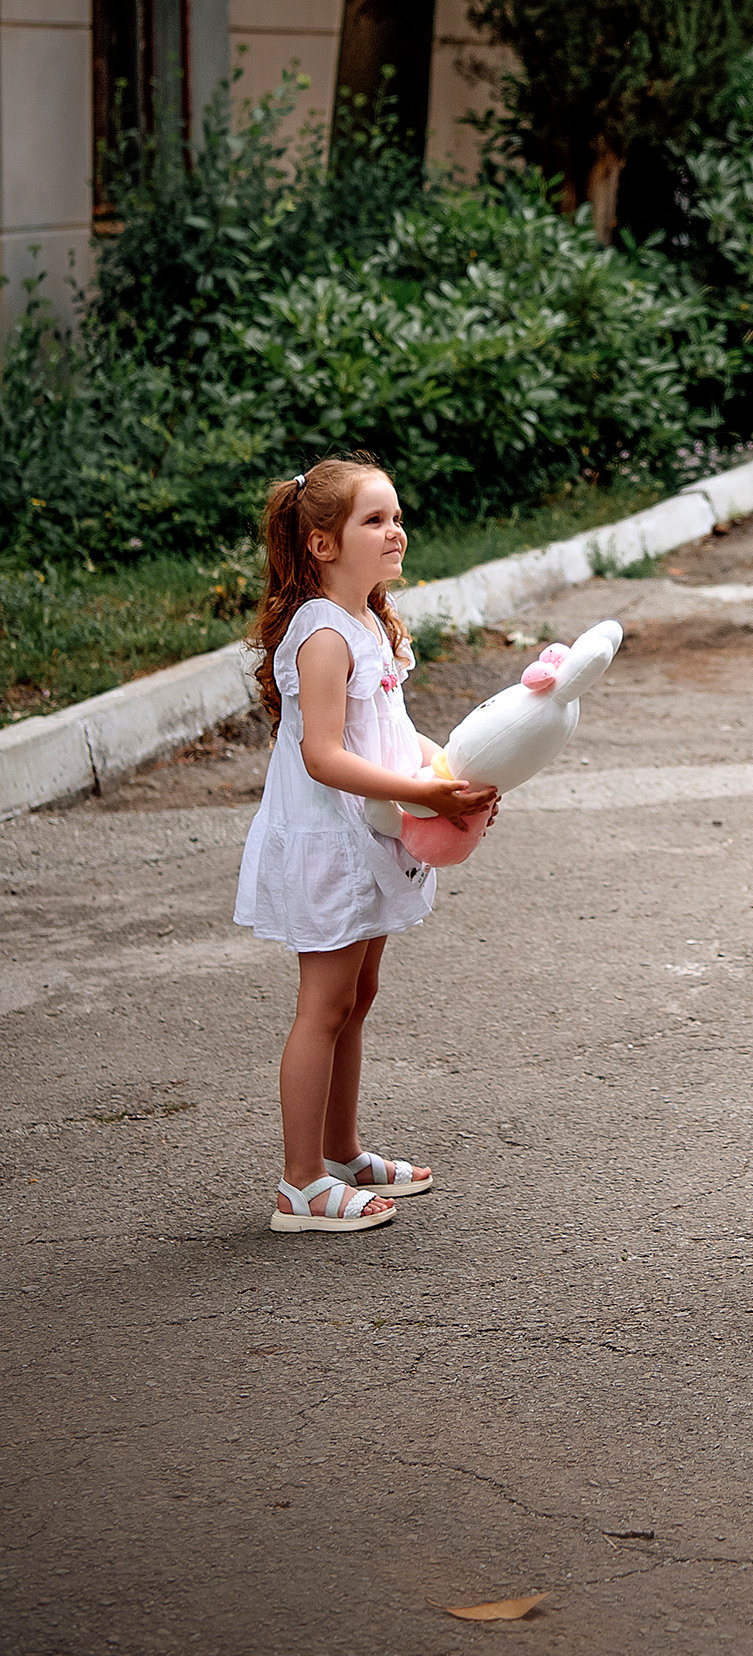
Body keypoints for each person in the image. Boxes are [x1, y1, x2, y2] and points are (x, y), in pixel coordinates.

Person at [236, 458, 495, 1233]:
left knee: (359, 994)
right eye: (374, 520)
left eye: (396, 516)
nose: (396, 531)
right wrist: (422, 795)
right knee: (324, 1004)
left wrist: (452, 773)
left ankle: (341, 1152)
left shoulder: (369, 621)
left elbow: (389, 731)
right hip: (330, 840)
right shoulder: (321, 633)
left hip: (370, 834)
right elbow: (322, 753)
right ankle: (301, 1184)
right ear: (321, 544)